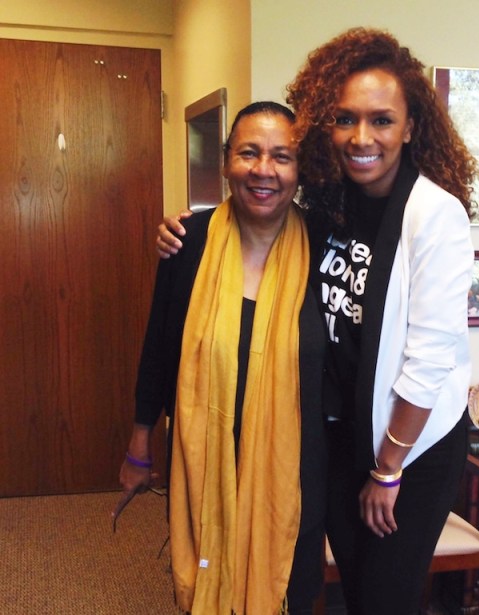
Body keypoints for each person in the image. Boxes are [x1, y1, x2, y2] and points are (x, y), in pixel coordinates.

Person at [158, 28, 478, 615]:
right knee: (351, 588)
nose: (362, 137)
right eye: (344, 118)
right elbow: (255, 223)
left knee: (385, 599)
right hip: (342, 438)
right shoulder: (327, 205)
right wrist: (190, 228)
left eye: (381, 120)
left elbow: (429, 357)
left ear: (410, 127)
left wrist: (387, 469)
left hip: (408, 450)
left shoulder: (435, 215)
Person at [118, 101, 326, 615]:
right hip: (202, 454)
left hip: (295, 466)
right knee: (204, 576)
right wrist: (140, 443)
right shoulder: (186, 243)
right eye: (249, 153)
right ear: (226, 160)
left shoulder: (327, 249)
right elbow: (159, 348)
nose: (263, 170)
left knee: (288, 591)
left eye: (282, 157)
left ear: (300, 169)